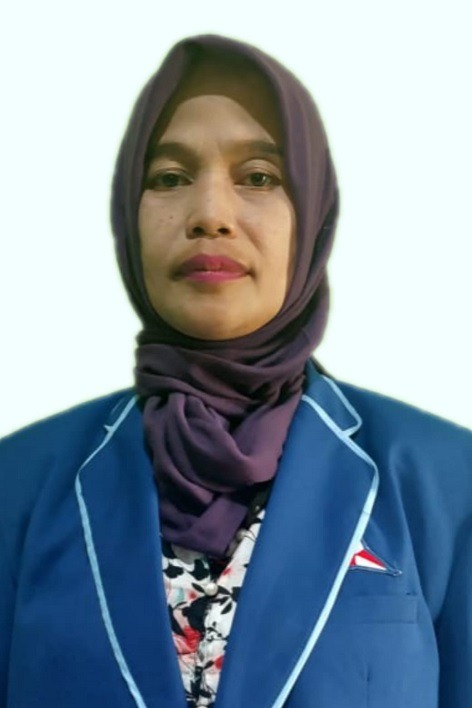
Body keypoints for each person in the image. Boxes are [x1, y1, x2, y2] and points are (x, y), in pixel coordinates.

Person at [0, 34, 471, 708]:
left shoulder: (446, 483)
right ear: (127, 214)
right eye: (169, 178)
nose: (211, 216)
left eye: (259, 176)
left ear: (312, 213)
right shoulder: (17, 484)